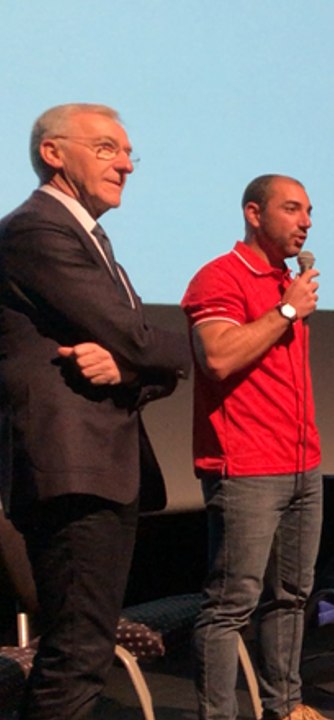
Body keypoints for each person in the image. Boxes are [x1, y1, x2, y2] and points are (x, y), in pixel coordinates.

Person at [0, 103, 189, 719]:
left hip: (103, 470)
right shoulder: (37, 230)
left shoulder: (92, 239)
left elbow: (137, 353)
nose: (127, 164)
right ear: (53, 153)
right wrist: (178, 347)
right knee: (76, 658)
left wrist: (131, 366)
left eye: (129, 152)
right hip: (71, 471)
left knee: (83, 653)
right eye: (108, 148)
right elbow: (140, 336)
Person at [181, 174, 324, 720]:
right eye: (292, 209)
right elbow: (216, 357)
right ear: (254, 213)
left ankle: (286, 708)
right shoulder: (220, 276)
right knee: (229, 607)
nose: (306, 221)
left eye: (308, 211)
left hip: (301, 464)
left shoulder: (289, 279)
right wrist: (285, 312)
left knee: (290, 598)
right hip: (244, 467)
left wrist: (289, 303)